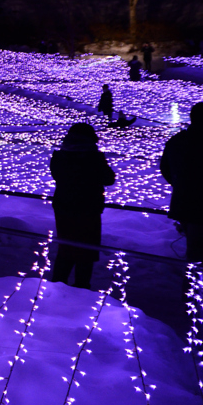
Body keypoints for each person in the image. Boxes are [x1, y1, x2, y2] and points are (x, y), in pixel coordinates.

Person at [50, 123, 115, 288]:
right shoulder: (93, 157)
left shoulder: (60, 156)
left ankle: (58, 284)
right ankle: (81, 287)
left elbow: (58, 176)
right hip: (88, 207)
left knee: (66, 246)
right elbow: (108, 178)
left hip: (64, 206)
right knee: (86, 249)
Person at [160, 101, 203, 262]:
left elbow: (165, 168)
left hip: (184, 204)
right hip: (197, 207)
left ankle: (192, 285)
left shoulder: (177, 140)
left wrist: (181, 186)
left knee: (194, 252)